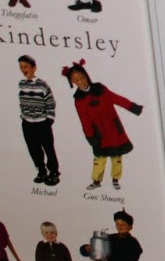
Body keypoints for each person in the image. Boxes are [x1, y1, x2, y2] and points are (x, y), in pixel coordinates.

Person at [63, 61, 142, 190]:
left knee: (117, 155)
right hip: (99, 133)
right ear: (72, 82)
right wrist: (90, 136)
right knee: (99, 158)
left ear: (86, 75)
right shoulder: (79, 100)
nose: (81, 81)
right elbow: (84, 120)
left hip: (113, 128)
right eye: (77, 80)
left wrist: (133, 107)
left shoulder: (100, 89)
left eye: (82, 77)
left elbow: (116, 98)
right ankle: (96, 180)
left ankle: (115, 179)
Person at [18, 54, 59, 185]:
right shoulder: (22, 84)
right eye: (21, 67)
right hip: (27, 124)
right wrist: (24, 116)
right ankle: (41, 171)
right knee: (33, 148)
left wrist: (49, 120)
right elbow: (23, 101)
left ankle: (54, 173)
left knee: (48, 148)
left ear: (34, 68)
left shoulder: (42, 85)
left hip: (42, 123)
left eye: (26, 66)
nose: (23, 69)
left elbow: (50, 102)